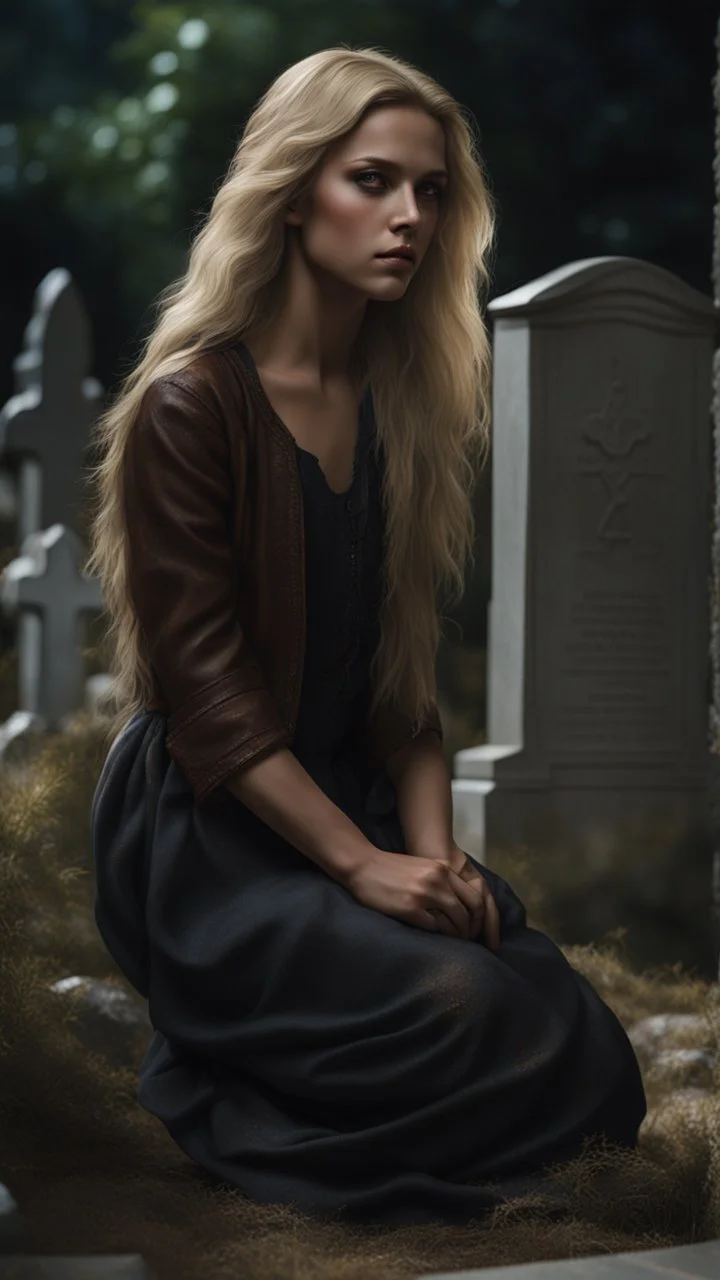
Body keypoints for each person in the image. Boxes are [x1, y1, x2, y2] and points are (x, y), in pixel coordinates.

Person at [87, 46, 646, 1228]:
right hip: (216, 835)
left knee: (591, 1048)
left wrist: (431, 861)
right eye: (374, 181)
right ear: (294, 193)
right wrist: (361, 868)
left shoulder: (397, 405)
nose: (410, 218)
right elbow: (211, 703)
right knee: (463, 1003)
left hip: (363, 803)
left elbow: (406, 692)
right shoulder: (193, 407)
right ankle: (232, 1092)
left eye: (431, 190)